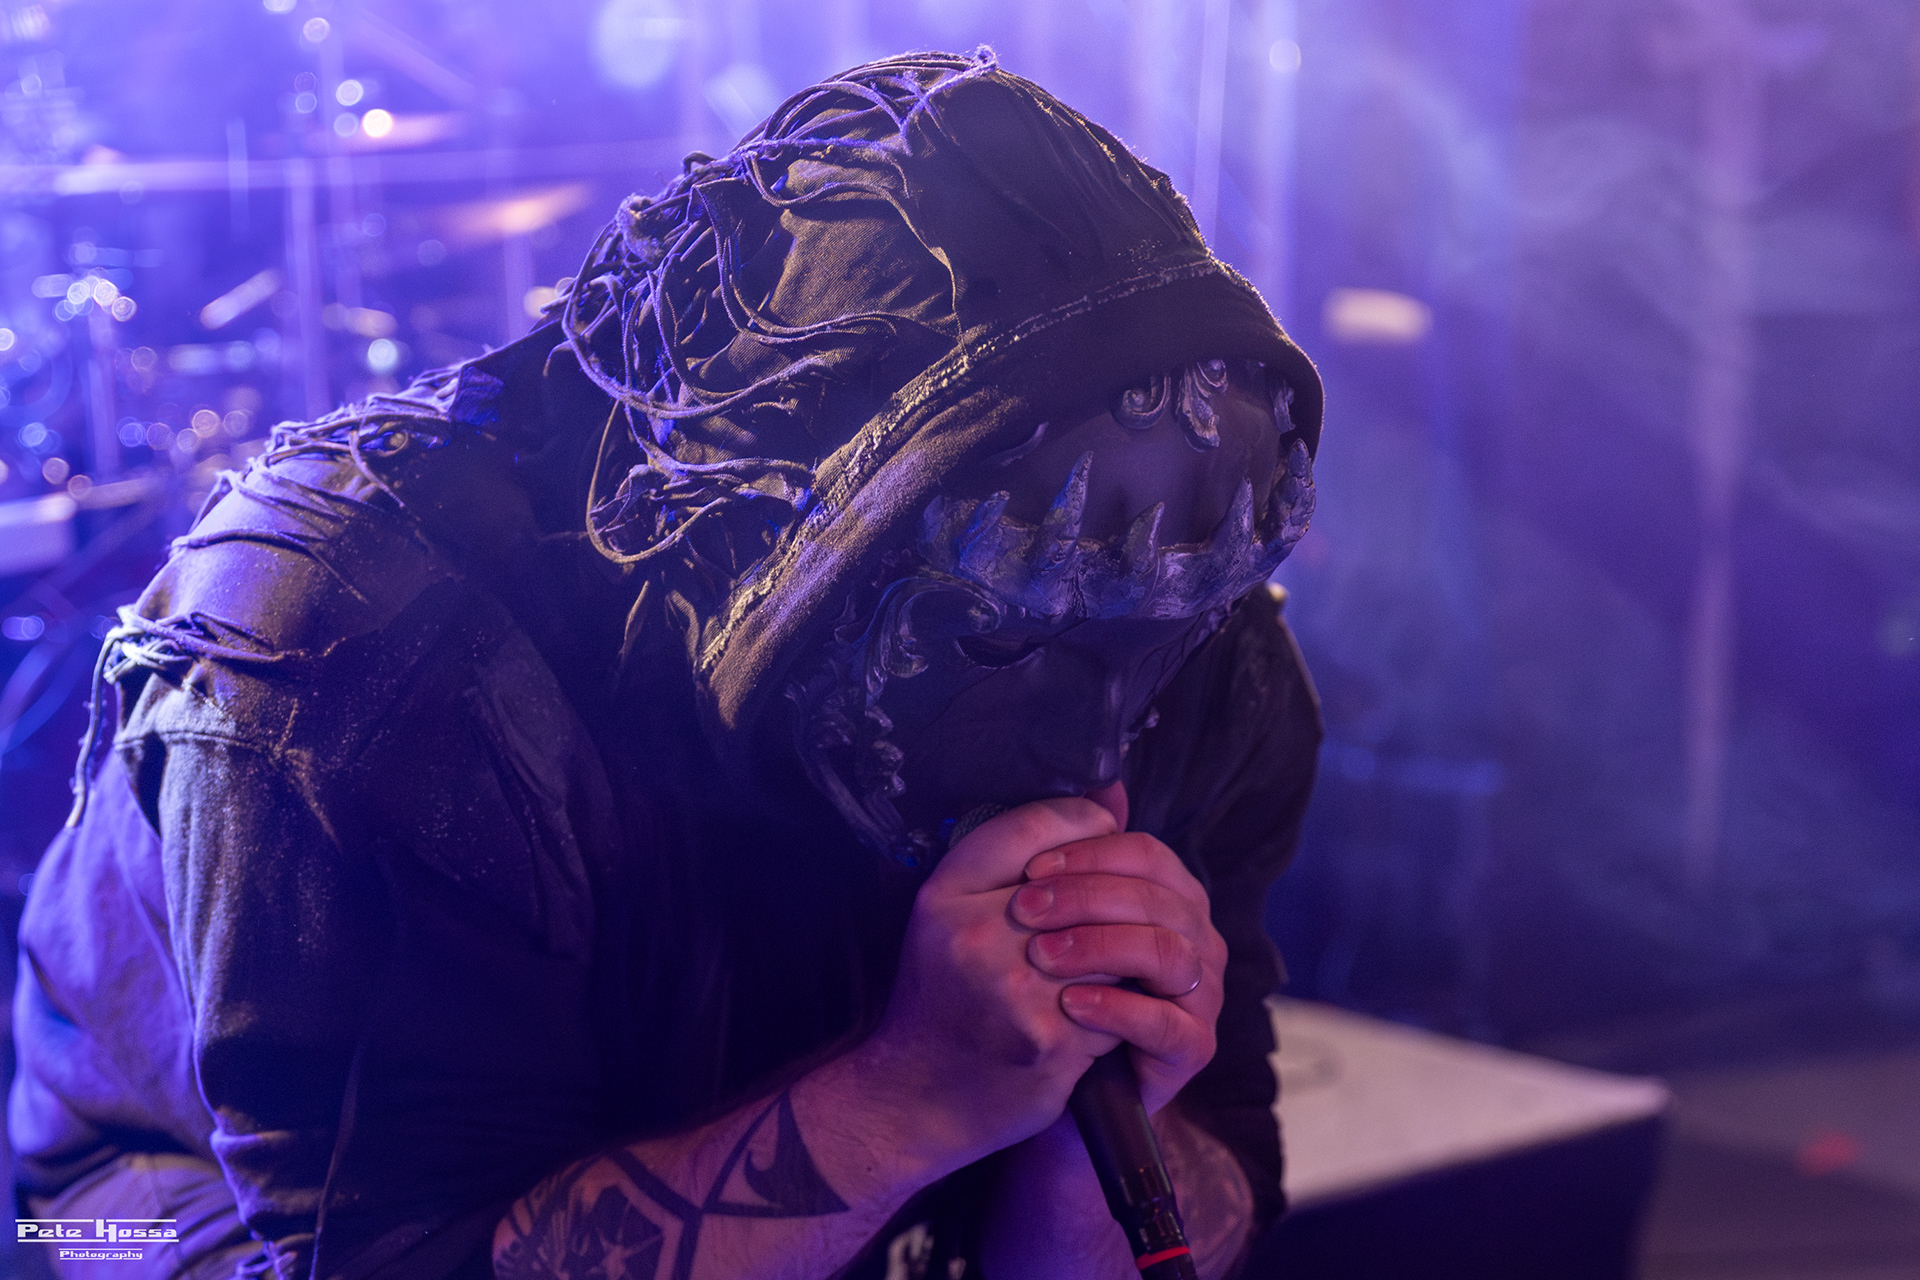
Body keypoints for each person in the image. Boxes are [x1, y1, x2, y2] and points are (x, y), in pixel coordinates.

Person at [9, 51, 1322, 1280]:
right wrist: (907, 1103)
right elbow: (390, 1256)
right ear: (772, 538)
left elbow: (1176, 1204)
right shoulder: (362, 661)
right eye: (999, 637)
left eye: (1164, 635)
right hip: (187, 1212)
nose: (1098, 745)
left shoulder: (1203, 641)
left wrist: (1091, 1107)